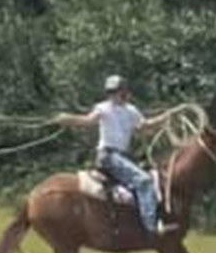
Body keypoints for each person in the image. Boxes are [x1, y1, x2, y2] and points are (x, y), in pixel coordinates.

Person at [53, 75, 178, 236]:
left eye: (118, 92)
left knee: (152, 178)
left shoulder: (131, 111)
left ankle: (140, 221)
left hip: (123, 156)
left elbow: (145, 127)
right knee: (144, 181)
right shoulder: (103, 108)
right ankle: (151, 228)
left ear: (125, 92)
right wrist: (68, 119)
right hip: (108, 155)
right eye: (112, 92)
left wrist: (166, 117)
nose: (115, 95)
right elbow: (88, 121)